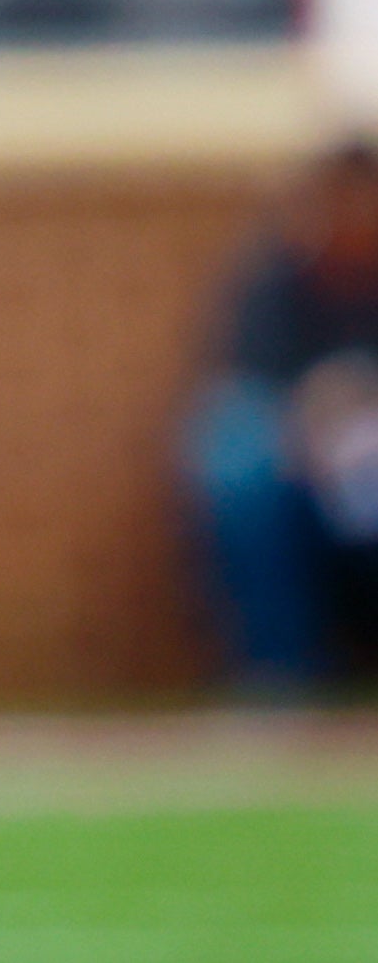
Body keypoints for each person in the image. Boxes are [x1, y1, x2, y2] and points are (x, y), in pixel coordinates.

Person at [186, 140, 378, 690]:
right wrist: (319, 413)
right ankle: (281, 672)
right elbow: (253, 382)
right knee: (238, 457)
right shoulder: (277, 278)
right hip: (301, 451)